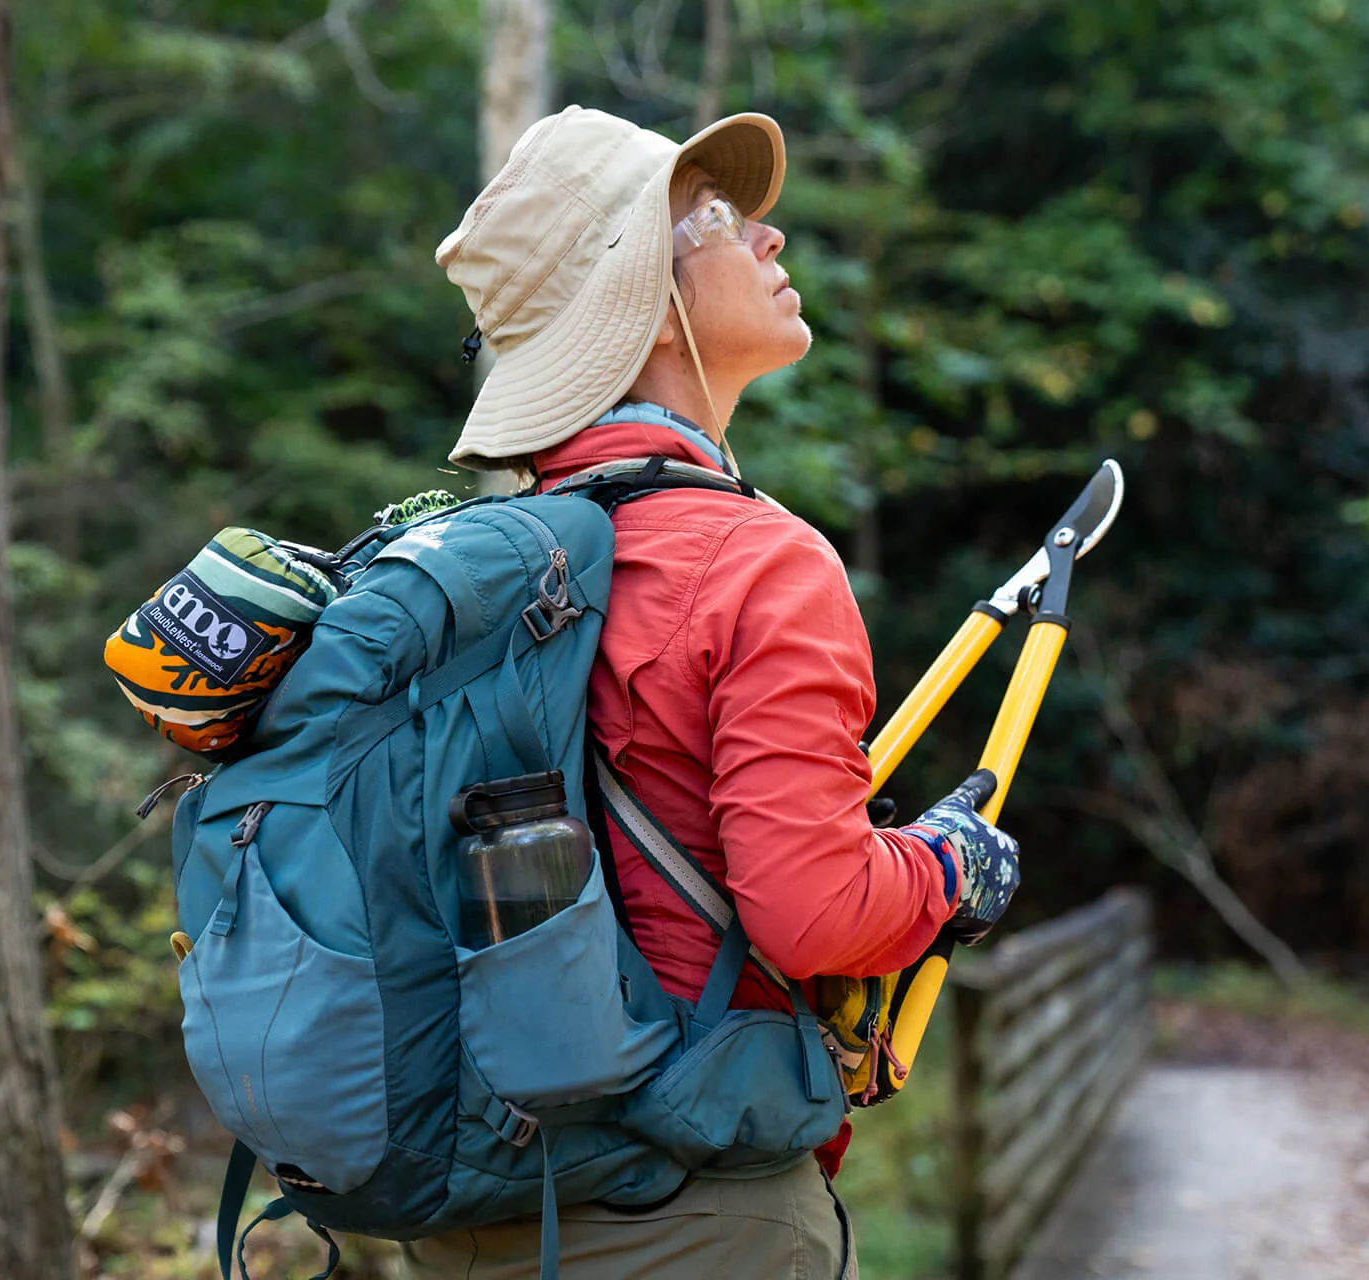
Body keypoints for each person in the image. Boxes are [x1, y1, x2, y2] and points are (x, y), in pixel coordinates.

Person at [405, 106, 1021, 1278]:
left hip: (472, 1213)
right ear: (652, 299)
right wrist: (951, 864)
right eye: (721, 220)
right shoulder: (758, 562)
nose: (772, 240)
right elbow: (816, 910)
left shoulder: (476, 565)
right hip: (691, 1218)